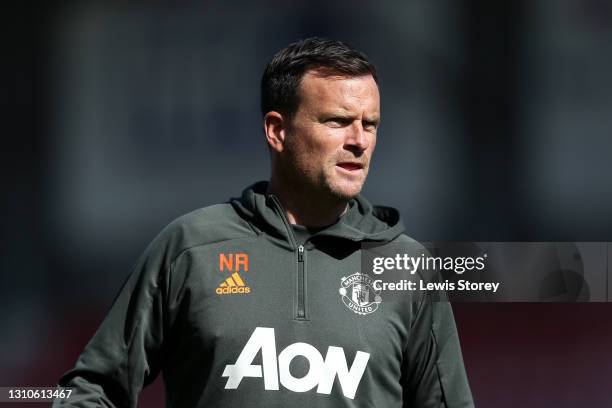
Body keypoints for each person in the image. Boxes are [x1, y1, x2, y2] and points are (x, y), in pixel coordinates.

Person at [54, 37, 473, 407]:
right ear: (277, 130)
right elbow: (94, 389)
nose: (359, 141)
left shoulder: (407, 268)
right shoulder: (191, 248)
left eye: (370, 124)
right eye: (337, 121)